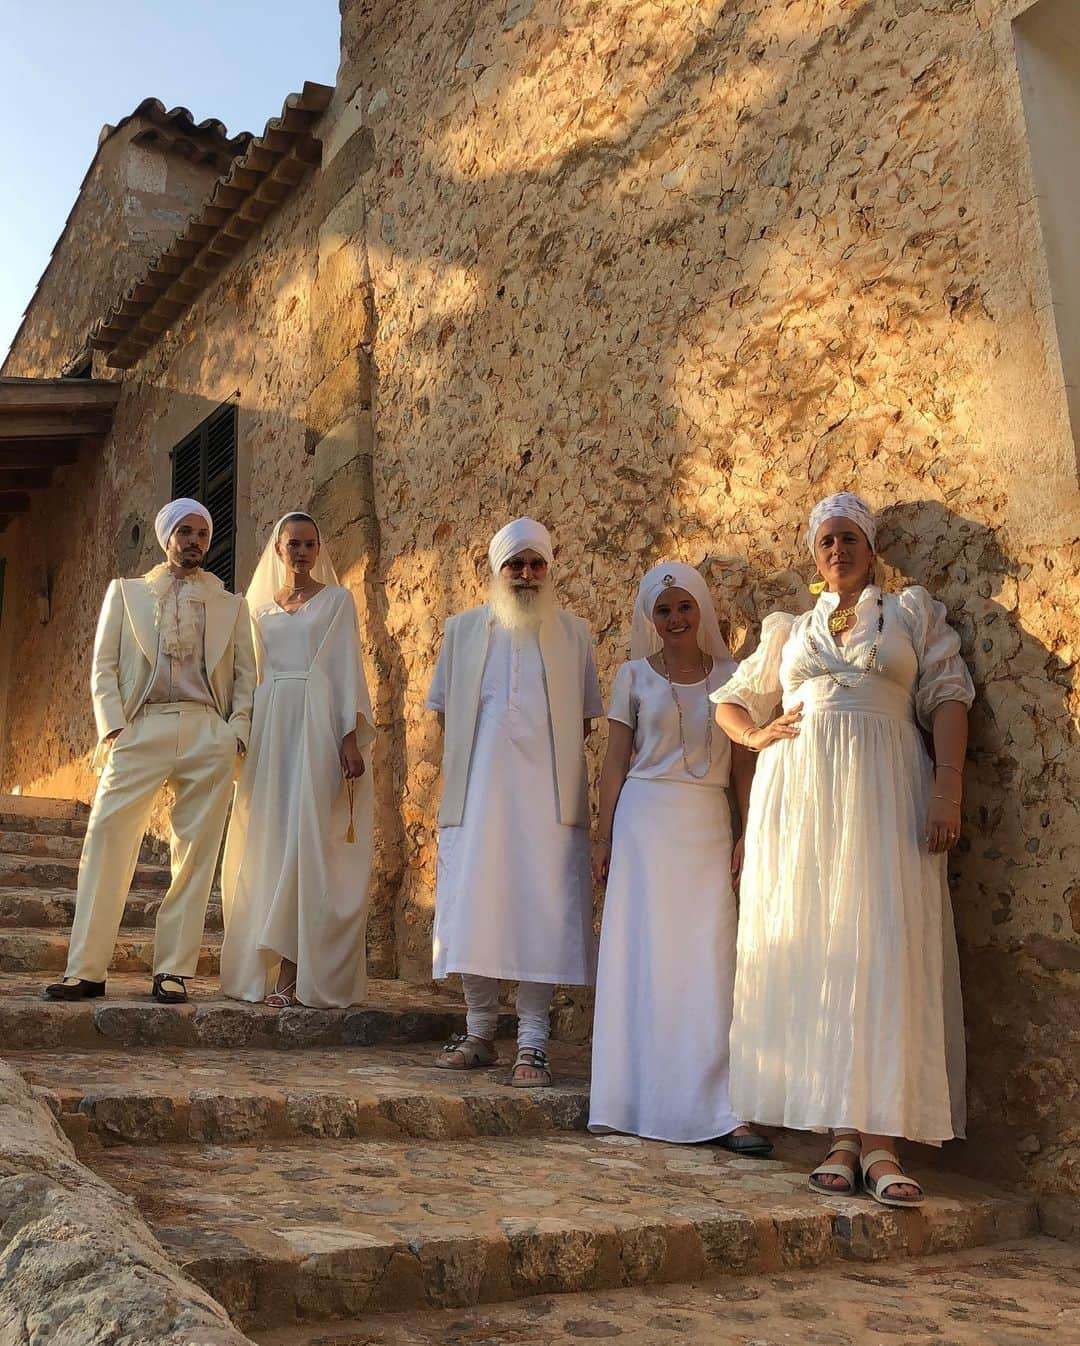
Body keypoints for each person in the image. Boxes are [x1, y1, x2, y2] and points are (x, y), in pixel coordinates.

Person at [712, 491, 974, 1206]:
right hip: (799, 806)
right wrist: (757, 737)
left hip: (888, 790)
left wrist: (947, 789)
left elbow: (950, 694)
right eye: (826, 540)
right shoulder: (788, 629)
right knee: (822, 950)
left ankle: (883, 1140)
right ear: (813, 554)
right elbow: (731, 702)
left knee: (883, 948)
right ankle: (841, 1136)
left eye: (849, 537)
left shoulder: (910, 612)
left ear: (870, 546)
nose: (837, 549)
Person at [588, 562, 771, 1153]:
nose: (675, 619)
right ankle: (630, 1098)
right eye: (663, 611)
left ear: (703, 611)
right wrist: (603, 836)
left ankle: (724, 1108)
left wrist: (750, 831)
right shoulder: (632, 676)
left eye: (685, 608)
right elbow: (615, 763)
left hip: (708, 825)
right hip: (644, 829)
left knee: (711, 965)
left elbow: (744, 764)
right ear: (651, 618)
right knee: (642, 960)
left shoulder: (733, 676)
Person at [45, 498, 256, 1004]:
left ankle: (173, 971)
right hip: (141, 729)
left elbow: (248, 676)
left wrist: (237, 732)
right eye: (185, 531)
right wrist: (114, 729)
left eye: (202, 533)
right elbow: (103, 670)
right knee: (105, 840)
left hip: (208, 731)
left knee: (194, 855)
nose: (195, 541)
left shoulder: (232, 604)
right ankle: (86, 969)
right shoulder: (127, 593)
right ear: (167, 538)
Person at [426, 517, 602, 1086]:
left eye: (536, 564)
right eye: (514, 565)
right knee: (476, 904)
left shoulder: (575, 634)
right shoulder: (462, 631)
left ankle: (532, 1042)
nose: (526, 575)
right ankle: (479, 1031)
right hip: (479, 799)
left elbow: (584, 723)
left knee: (540, 908)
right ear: (496, 571)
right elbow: (445, 713)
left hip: (548, 805)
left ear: (549, 569)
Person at [219, 513, 374, 1009]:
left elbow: (347, 666)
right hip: (271, 727)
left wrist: (349, 739)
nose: (303, 552)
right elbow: (246, 675)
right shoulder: (258, 611)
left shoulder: (337, 602)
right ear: (279, 551)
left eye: (311, 543)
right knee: (269, 838)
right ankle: (262, 967)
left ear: (318, 548)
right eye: (294, 544)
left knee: (306, 841)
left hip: (316, 724)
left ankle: (295, 972)